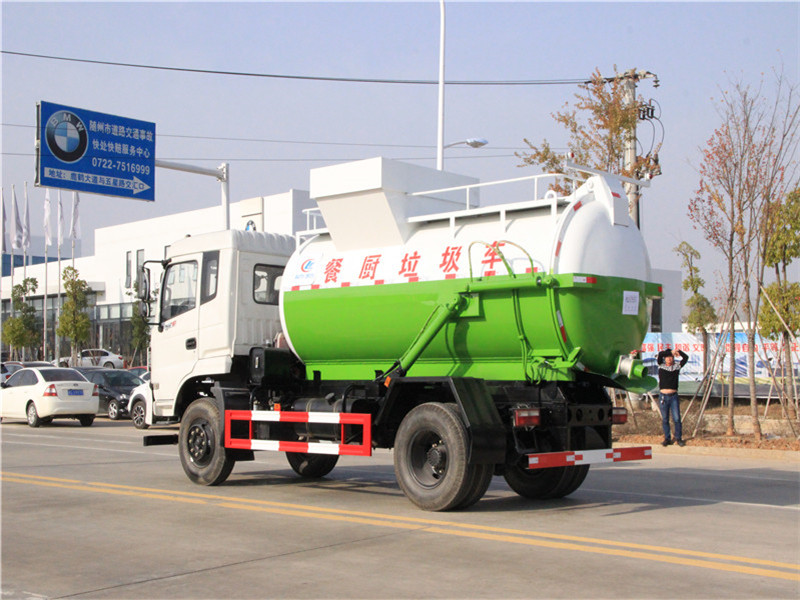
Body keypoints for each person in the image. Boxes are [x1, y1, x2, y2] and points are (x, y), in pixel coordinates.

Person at [657, 347, 689, 447]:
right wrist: (670, 352)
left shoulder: (676, 367)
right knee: (665, 419)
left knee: (677, 418)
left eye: (671, 357)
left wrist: (678, 352)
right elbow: (660, 354)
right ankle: (667, 438)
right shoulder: (661, 366)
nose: (669, 359)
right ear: (664, 359)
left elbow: (686, 358)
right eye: (667, 357)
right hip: (663, 396)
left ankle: (679, 438)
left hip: (673, 396)